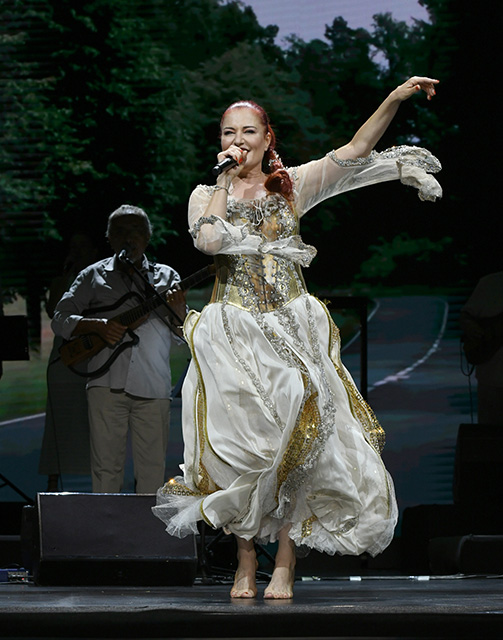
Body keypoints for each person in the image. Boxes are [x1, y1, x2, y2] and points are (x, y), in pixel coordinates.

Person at [153, 76, 442, 599]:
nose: (237, 141)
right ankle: (245, 559)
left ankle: (285, 561)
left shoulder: (292, 184)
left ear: (267, 138)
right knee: (243, 449)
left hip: (291, 326)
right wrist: (222, 182)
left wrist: (394, 98)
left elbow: (356, 149)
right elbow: (209, 241)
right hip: (233, 332)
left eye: (247, 132)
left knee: (300, 435)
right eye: (227, 133)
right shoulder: (205, 195)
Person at [52, 205, 187, 493]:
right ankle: (104, 522)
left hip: (153, 385)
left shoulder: (166, 277)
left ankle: (146, 523)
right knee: (105, 469)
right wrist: (98, 326)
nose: (129, 238)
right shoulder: (92, 276)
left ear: (148, 237)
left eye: (136, 230)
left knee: (152, 471)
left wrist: (180, 314)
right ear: (109, 238)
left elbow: (184, 337)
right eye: (121, 231)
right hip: (105, 384)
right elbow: (60, 318)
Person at [39, 232, 98, 491]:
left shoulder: (101, 281)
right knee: (58, 419)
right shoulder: (61, 281)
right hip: (64, 355)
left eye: (83, 246)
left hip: (92, 354)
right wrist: (65, 277)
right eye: (74, 247)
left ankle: (97, 480)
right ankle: (53, 480)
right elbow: (54, 311)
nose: (78, 252)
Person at [460, 272, 503, 425]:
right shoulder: (491, 282)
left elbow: (466, 317)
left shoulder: (490, 282)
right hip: (492, 377)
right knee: (489, 429)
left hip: (491, 376)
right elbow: (466, 317)